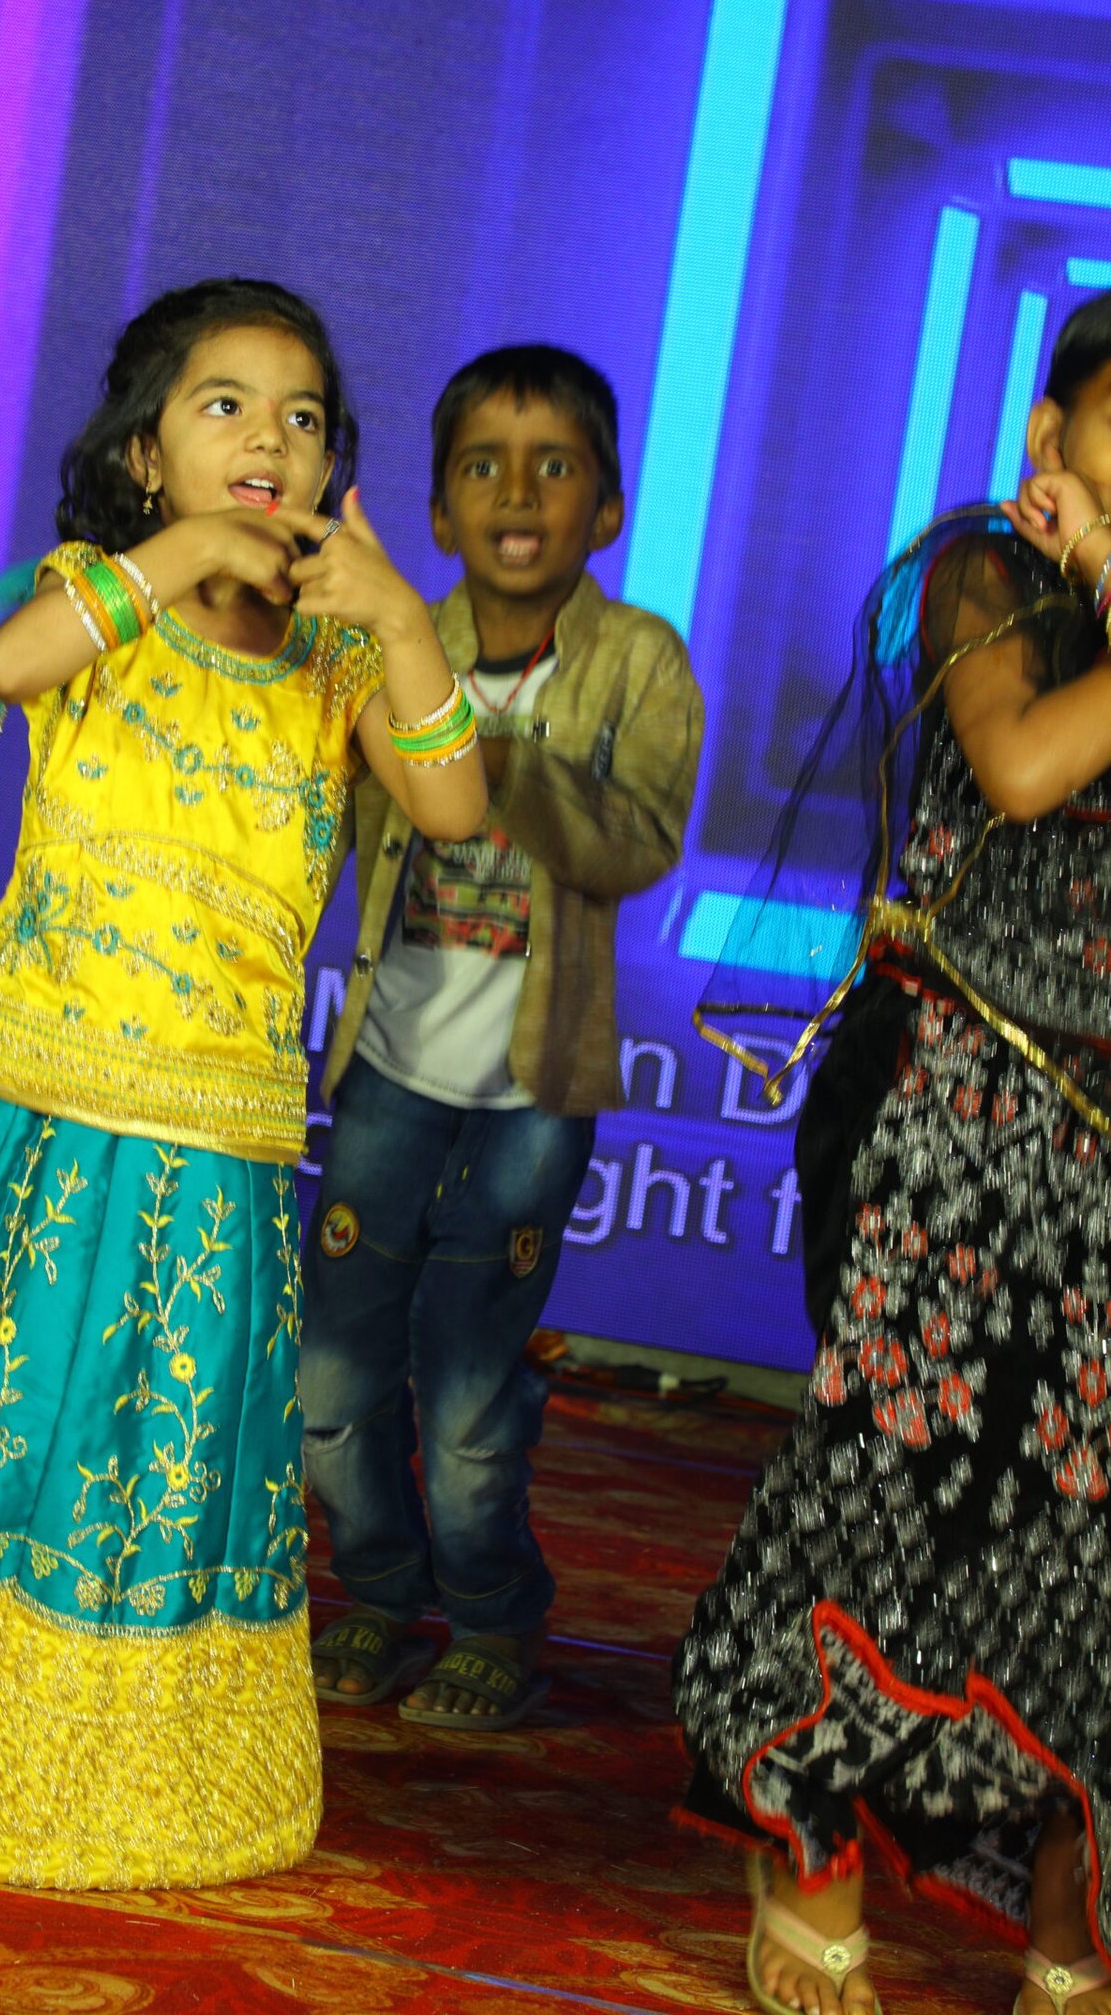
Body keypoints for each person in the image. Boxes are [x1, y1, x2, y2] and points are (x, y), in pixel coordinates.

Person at [0, 277, 486, 1891]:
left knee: (133, 1441)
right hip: (22, 1109)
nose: (270, 436)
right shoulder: (97, 599)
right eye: (225, 406)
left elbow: (453, 807)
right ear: (146, 453)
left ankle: (81, 1766)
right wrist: (182, 556)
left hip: (206, 1142)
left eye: (302, 417)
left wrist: (408, 623)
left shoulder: (338, 661)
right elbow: (11, 664)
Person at [675, 289, 1111, 2015]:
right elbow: (1023, 769)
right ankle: (808, 1849)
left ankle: (1067, 1912)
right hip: (951, 1110)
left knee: (1090, 1532)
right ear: (1052, 433)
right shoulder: (981, 574)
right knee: (893, 1485)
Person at [301, 344, 703, 1729]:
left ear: (608, 508)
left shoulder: (640, 660)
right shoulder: (389, 640)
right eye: (482, 466)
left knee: (470, 1387)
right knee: (332, 1373)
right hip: (388, 1068)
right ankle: (377, 1593)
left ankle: (488, 1619)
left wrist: (493, 758)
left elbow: (639, 840)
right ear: (436, 510)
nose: (517, 493)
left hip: (532, 1090)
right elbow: (325, 805)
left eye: (554, 468)